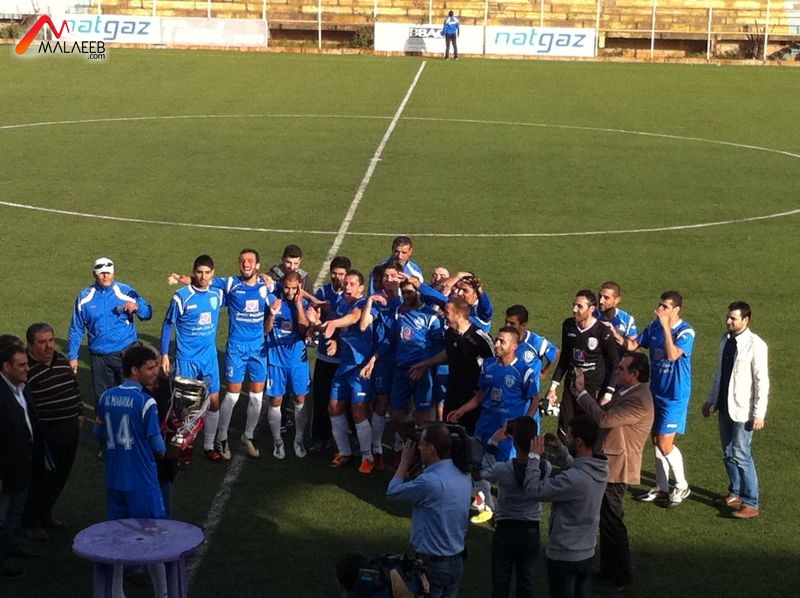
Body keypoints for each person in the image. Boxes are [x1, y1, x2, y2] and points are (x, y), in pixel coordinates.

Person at [574, 353, 654, 593]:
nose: (617, 371)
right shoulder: (630, 393)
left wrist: (581, 392)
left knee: (613, 522)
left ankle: (623, 575)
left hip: (618, 468)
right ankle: (609, 570)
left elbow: (604, 419)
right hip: (611, 464)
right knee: (607, 520)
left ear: (634, 374)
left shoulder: (638, 400)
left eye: (622, 368)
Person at [93, 344, 167, 598]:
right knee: (153, 535)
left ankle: (116, 592)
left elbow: (97, 433)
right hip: (142, 480)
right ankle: (163, 592)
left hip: (114, 477)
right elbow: (158, 446)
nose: (155, 372)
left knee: (117, 536)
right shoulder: (146, 402)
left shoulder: (106, 397)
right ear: (134, 370)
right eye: (150, 368)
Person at [447, 327, 540, 524]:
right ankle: (488, 506)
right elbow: (481, 395)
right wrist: (462, 410)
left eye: (502, 341)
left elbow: (535, 399)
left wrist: (524, 424)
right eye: (497, 340)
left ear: (514, 346)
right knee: (475, 464)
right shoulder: (488, 365)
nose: (496, 344)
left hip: (507, 430)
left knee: (505, 473)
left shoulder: (524, 370)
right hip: (485, 423)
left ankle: (506, 513)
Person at [625, 291, 695, 508]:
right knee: (656, 439)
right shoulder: (653, 327)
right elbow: (633, 345)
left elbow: (673, 355)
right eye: (660, 305)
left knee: (665, 443)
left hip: (675, 395)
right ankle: (662, 486)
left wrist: (665, 327)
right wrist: (612, 333)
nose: (660, 310)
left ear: (676, 309)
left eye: (665, 307)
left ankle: (681, 485)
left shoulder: (686, 332)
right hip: (655, 393)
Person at [525, 415, 608, 598]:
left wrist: (533, 457)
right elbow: (577, 467)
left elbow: (533, 491)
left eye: (569, 436)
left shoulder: (573, 480)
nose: (566, 438)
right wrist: (560, 449)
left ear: (579, 441)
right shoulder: (600, 468)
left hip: (565, 555)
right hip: (587, 551)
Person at [387, 424, 472, 598]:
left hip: (433, 566)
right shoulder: (463, 475)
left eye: (421, 443)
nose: (418, 447)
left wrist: (404, 462)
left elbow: (393, 492)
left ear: (431, 448)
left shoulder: (430, 482)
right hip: (456, 560)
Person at [703, 301, 769, 519]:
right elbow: (720, 373)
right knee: (728, 453)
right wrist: (710, 400)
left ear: (745, 320)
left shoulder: (755, 344)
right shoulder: (726, 340)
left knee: (741, 454)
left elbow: (762, 381)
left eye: (733, 318)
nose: (728, 321)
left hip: (743, 411)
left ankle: (751, 502)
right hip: (724, 406)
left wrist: (759, 413)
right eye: (728, 317)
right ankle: (735, 493)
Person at [307, 270, 374, 471]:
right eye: (346, 284)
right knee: (334, 407)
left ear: (361, 287)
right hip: (344, 365)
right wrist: (316, 323)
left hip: (360, 367)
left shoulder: (363, 304)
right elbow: (330, 330)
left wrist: (332, 323)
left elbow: (353, 319)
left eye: (352, 284)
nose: (347, 287)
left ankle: (367, 456)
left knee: (358, 411)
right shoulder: (341, 304)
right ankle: (344, 452)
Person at [161, 255, 225, 461]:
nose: (203, 276)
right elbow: (167, 324)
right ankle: (183, 447)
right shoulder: (181, 297)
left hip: (209, 358)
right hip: (186, 359)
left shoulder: (217, 294)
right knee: (184, 408)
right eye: (199, 272)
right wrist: (164, 354)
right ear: (193, 272)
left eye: (207, 273)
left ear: (213, 273)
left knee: (214, 402)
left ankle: (208, 446)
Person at [23, 323, 82, 542]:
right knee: (41, 478)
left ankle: (46, 514)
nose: (48, 346)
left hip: (70, 428)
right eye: (42, 342)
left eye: (51, 340)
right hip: (46, 434)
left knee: (60, 475)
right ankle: (31, 523)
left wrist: (79, 412)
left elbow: (74, 387)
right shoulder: (26, 368)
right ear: (30, 345)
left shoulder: (61, 360)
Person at [67, 257, 152, 402]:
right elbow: (77, 328)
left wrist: (137, 308)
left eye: (108, 272)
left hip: (126, 356)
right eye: (102, 273)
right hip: (100, 360)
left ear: (113, 273)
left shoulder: (126, 292)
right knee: (104, 401)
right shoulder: (84, 297)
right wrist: (73, 356)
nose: (105, 276)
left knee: (131, 400)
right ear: (94, 274)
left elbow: (148, 313)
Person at [409, 296, 494, 435]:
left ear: (459, 314)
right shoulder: (449, 334)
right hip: (453, 392)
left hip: (473, 396)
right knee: (450, 429)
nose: (443, 314)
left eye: (447, 312)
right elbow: (449, 354)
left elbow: (495, 363)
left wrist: (484, 389)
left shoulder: (480, 338)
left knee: (469, 433)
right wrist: (426, 364)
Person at [480, 416, 543, 598]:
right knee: (526, 579)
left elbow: (484, 471)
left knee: (501, 579)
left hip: (506, 527)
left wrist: (494, 441)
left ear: (514, 441)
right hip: (531, 527)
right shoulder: (544, 467)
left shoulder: (503, 469)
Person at [546, 290, 619, 441]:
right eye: (574, 305)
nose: (574, 309)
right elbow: (565, 357)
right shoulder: (568, 325)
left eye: (579, 306)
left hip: (593, 389)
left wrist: (608, 394)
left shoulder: (603, 331)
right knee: (564, 431)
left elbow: (615, 363)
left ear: (591, 309)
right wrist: (553, 388)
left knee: (586, 434)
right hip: (571, 387)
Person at [0, 342, 44, 580]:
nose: (28, 368)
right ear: (6, 367)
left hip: (22, 465)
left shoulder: (22, 387)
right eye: (22, 365)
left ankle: (12, 547)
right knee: (2, 518)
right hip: (6, 471)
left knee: (14, 514)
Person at [358, 262, 403, 470]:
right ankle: (377, 449)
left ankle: (399, 447)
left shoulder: (408, 298)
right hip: (383, 360)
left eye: (392, 276)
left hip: (404, 359)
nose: (388, 280)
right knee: (382, 402)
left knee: (402, 407)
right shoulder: (378, 300)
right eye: (385, 276)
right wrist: (369, 301)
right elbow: (363, 325)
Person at [264, 271, 311, 459]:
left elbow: (304, 330)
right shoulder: (272, 301)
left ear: (299, 287)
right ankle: (278, 442)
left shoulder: (304, 304)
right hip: (276, 361)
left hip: (298, 362)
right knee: (275, 400)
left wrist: (299, 305)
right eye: (287, 288)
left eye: (294, 288)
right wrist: (272, 315)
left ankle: (298, 440)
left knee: (300, 400)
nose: (290, 292)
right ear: (282, 285)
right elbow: (266, 331)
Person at [310, 256, 351, 453]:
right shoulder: (323, 292)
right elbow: (316, 319)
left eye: (341, 274)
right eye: (334, 273)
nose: (337, 277)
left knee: (346, 402)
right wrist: (314, 325)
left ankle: (347, 440)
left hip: (345, 359)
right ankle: (320, 437)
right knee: (321, 399)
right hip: (325, 356)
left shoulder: (352, 296)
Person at [505, 304, 560, 380]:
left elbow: (555, 352)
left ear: (523, 325)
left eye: (512, 323)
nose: (507, 325)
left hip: (530, 387)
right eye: (506, 322)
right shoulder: (503, 340)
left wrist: (544, 373)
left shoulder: (535, 341)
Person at [595, 282, 638, 356]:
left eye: (606, 298)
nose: (601, 301)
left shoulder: (627, 319)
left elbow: (635, 349)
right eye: (600, 296)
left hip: (619, 361)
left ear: (616, 300)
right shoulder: (590, 316)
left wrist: (615, 335)